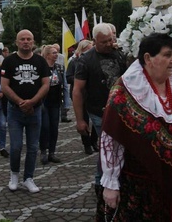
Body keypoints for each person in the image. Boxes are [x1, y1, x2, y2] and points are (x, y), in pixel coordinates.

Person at [100, 33, 172, 221]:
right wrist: (110, 183)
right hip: (139, 185)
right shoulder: (126, 90)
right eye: (167, 55)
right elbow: (112, 137)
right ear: (147, 58)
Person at [73, 23, 127, 212]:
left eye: (111, 39)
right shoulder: (86, 60)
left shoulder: (120, 53)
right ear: (95, 40)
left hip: (123, 111)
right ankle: (101, 187)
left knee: (118, 150)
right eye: (104, 42)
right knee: (107, 150)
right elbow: (77, 90)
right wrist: (80, 120)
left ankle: (115, 184)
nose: (109, 44)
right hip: (98, 112)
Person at [1, 29, 50, 194]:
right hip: (14, 111)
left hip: (35, 110)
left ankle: (28, 177)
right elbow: (4, 85)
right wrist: (20, 102)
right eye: (22, 39)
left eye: (29, 39)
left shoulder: (40, 61)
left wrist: (33, 102)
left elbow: (45, 84)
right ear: (17, 42)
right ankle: (14, 174)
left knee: (33, 147)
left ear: (33, 42)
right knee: (15, 147)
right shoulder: (9, 61)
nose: (26, 42)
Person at [66, 39, 98, 155]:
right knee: (83, 119)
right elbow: (68, 77)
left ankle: (94, 141)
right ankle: (86, 144)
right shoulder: (74, 62)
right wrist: (80, 79)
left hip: (92, 95)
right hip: (80, 95)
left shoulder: (95, 60)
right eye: (88, 49)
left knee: (96, 121)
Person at [39, 45, 67, 165]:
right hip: (44, 102)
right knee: (45, 127)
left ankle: (52, 152)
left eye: (57, 53)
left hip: (55, 102)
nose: (56, 55)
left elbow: (64, 85)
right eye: (54, 53)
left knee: (54, 127)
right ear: (47, 55)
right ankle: (43, 151)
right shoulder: (41, 68)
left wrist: (66, 103)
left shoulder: (60, 68)